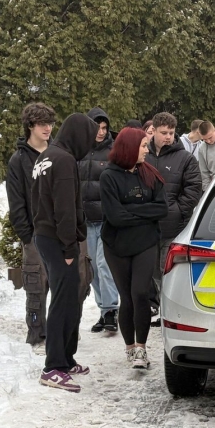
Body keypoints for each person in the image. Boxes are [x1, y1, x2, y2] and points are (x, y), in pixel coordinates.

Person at [31, 112, 97, 393]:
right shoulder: (65, 160)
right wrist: (70, 247)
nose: (91, 144)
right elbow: (64, 208)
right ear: (78, 135)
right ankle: (53, 367)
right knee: (62, 300)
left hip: (45, 236)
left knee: (70, 297)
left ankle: (66, 359)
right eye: (89, 138)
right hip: (58, 240)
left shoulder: (46, 156)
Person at [100, 128, 169, 369]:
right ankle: (129, 347)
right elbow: (115, 217)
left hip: (146, 242)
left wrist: (130, 211)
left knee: (140, 293)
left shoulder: (150, 174)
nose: (147, 150)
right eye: (142, 146)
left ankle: (141, 348)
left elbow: (161, 209)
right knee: (126, 297)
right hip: (116, 245)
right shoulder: (109, 176)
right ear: (129, 147)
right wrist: (144, 211)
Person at [145, 112, 202, 324]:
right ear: (154, 131)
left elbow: (194, 188)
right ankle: (156, 307)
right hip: (147, 227)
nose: (168, 137)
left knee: (168, 271)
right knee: (152, 274)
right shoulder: (143, 155)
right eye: (163, 133)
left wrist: (178, 210)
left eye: (171, 132)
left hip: (173, 226)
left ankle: (170, 313)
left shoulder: (185, 158)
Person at [6, 103, 55, 347]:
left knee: (65, 286)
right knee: (36, 287)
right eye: (42, 124)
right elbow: (15, 201)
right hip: (34, 234)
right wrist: (26, 234)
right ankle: (37, 334)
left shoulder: (58, 153)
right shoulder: (18, 160)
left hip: (60, 233)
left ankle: (62, 332)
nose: (48, 128)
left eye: (50, 123)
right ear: (30, 126)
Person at [78, 107, 120, 333]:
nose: (101, 132)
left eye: (104, 128)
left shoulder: (113, 151)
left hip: (106, 219)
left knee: (105, 265)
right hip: (85, 219)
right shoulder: (79, 150)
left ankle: (112, 309)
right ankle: (104, 311)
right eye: (97, 127)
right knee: (92, 267)